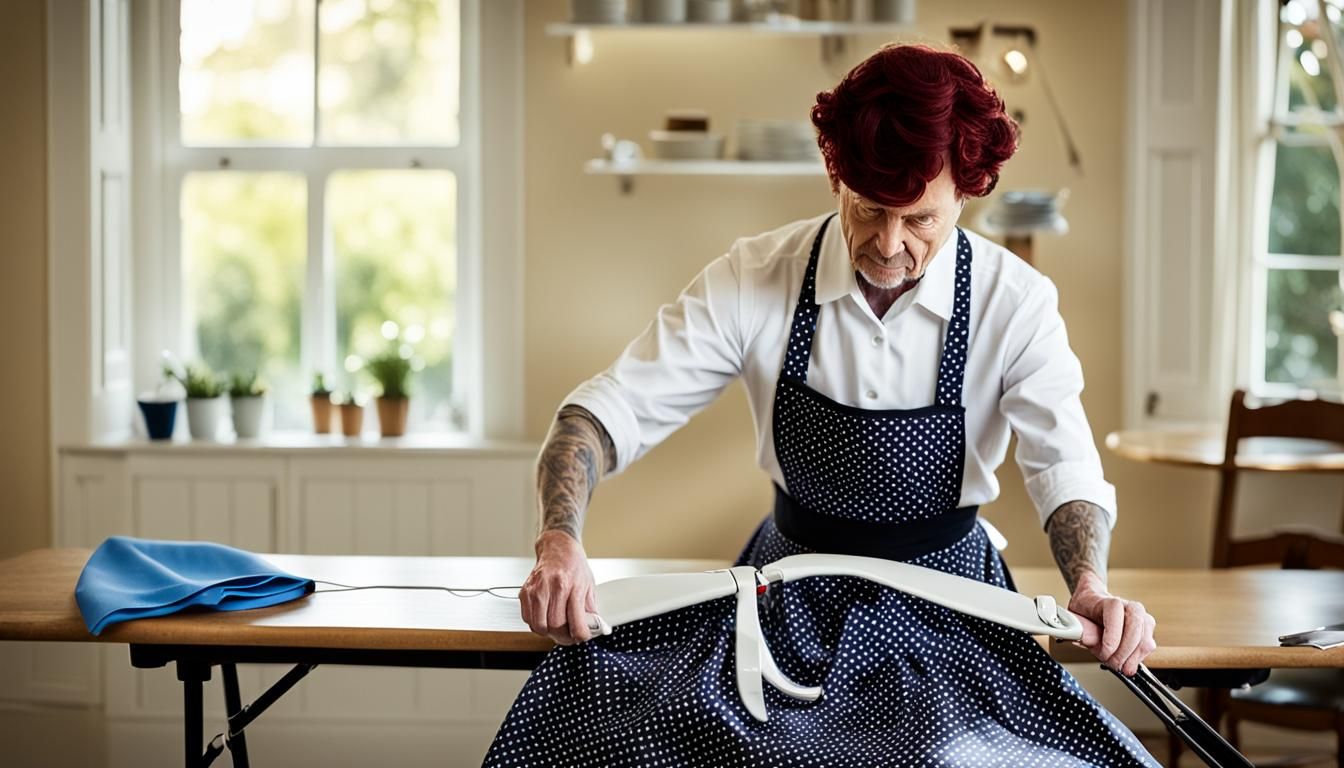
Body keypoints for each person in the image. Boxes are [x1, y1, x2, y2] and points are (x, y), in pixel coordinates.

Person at [484, 43, 1159, 766]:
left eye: (920, 220)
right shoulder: (756, 276)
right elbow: (597, 417)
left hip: (951, 611)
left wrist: (1090, 585)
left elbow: (1065, 468)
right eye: (869, 209)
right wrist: (560, 542)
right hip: (785, 600)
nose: (889, 244)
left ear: (966, 194)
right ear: (837, 176)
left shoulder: (1015, 302)